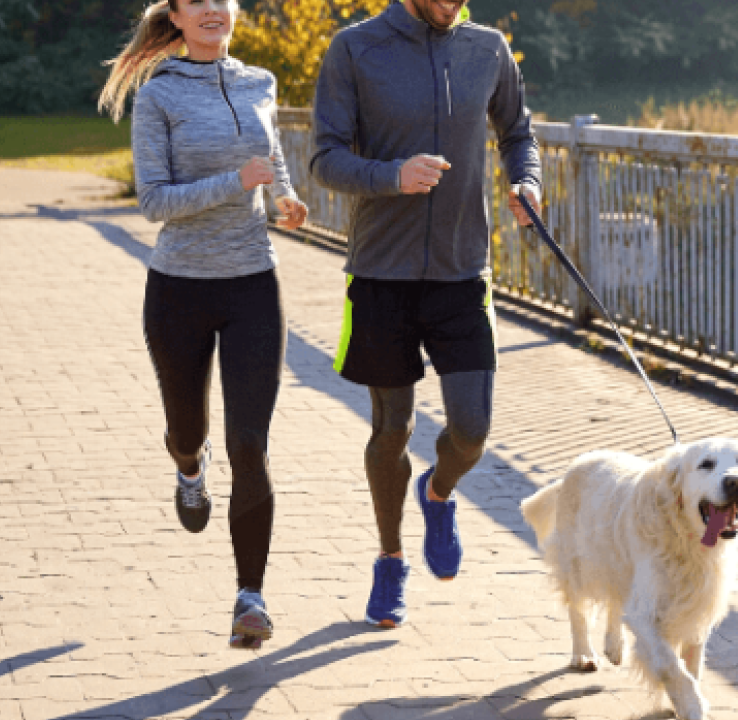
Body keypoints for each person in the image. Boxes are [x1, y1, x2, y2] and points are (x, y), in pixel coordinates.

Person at [309, 0, 542, 628]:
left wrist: (527, 183)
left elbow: (518, 133)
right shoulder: (355, 49)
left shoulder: (487, 49)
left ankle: (437, 493)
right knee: (392, 431)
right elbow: (323, 156)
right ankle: (391, 561)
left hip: (463, 272)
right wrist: (392, 175)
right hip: (381, 275)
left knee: (471, 429)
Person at [97, 0, 309, 649]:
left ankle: (251, 598)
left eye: (223, 0)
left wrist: (285, 196)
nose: (215, 10)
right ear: (178, 18)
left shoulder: (259, 83)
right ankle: (189, 467)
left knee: (251, 443)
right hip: (179, 290)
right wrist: (233, 182)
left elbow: (269, 157)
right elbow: (155, 201)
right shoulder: (159, 96)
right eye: (199, 3)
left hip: (252, 286)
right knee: (189, 429)